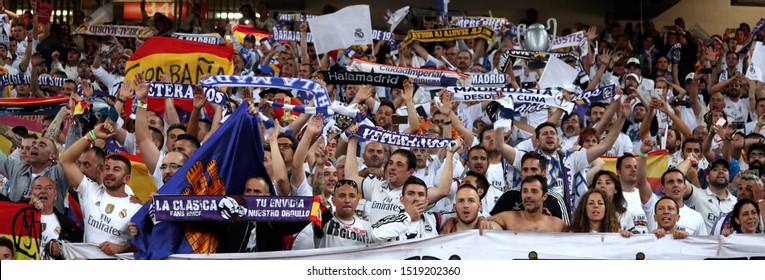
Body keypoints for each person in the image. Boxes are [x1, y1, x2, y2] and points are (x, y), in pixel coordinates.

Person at [60, 123, 142, 255]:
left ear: (126, 178)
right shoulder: (90, 190)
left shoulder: (137, 208)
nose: (110, 172)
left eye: (116, 169)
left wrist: (122, 248)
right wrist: (92, 135)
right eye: (107, 168)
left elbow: (147, 245)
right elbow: (65, 160)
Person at [482, 175, 567, 232]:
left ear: (544, 196)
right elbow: (484, 221)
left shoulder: (558, 225)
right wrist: (489, 224)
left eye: (534, 191)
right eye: (525, 191)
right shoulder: (508, 218)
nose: (528, 195)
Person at [28, 176, 83, 260]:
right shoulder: (20, 218)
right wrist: (28, 209)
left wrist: (60, 249)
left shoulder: (69, 226)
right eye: (38, 188)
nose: (43, 191)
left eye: (49, 188)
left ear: (55, 196)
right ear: (32, 194)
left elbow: (78, 252)